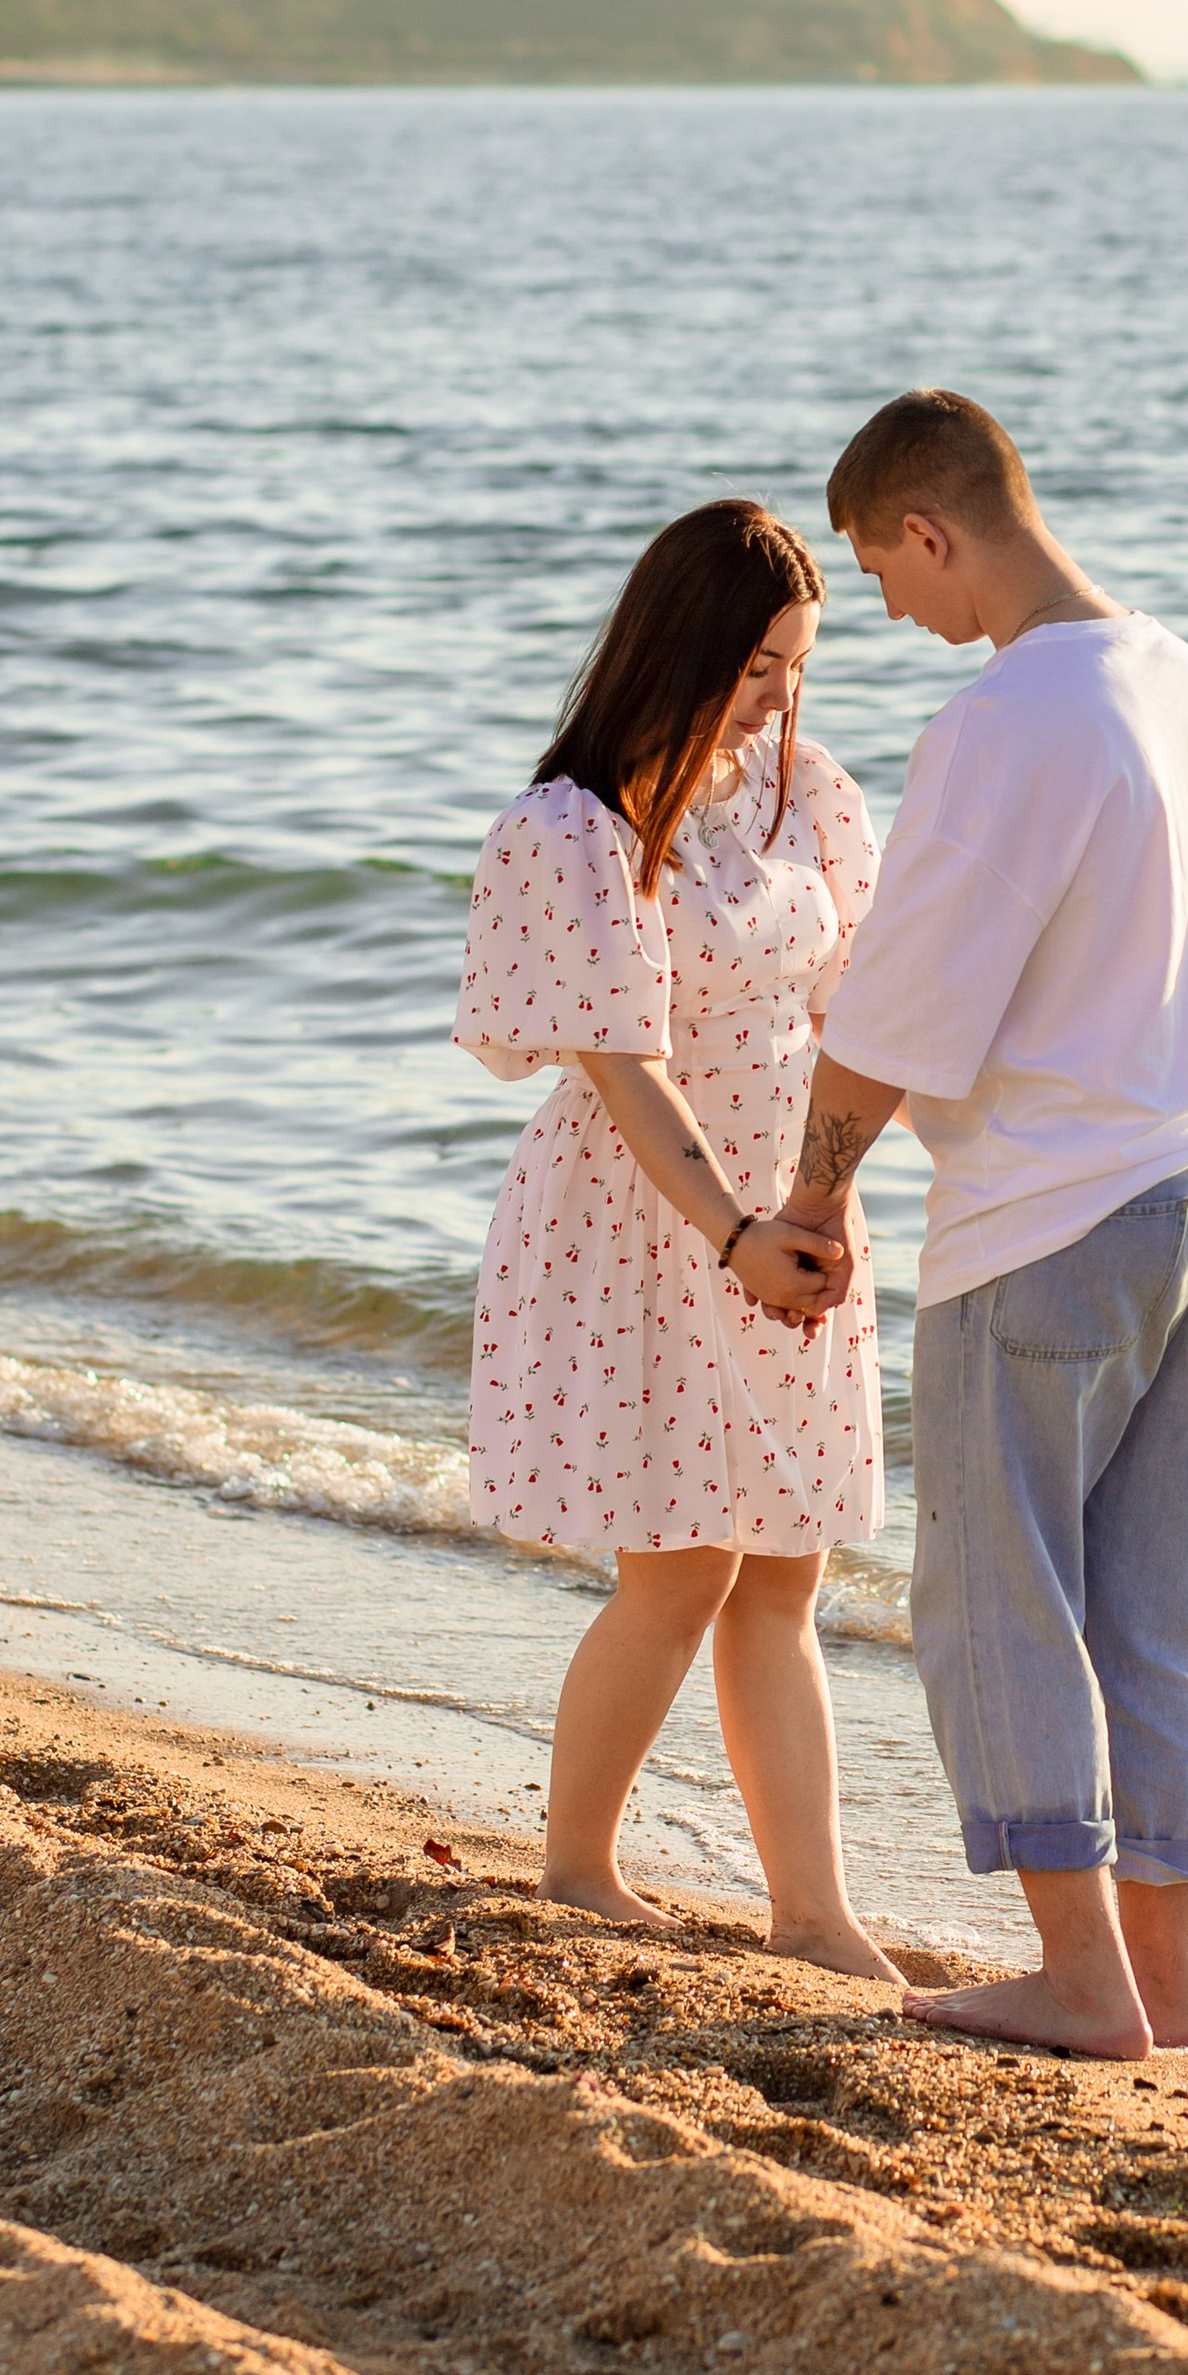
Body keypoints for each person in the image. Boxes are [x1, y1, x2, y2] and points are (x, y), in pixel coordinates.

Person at [755, 390, 1188, 2060]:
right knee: (1154, 1592)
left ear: (933, 528)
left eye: (886, 574)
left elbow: (905, 1007)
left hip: (1053, 1208)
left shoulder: (1009, 720)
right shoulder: (1186, 679)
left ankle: (1074, 1984)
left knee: (1000, 1596)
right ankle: (1167, 1994)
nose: (896, 613)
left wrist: (815, 1191)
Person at [453, 496, 902, 1980]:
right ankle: (578, 1865)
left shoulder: (801, 796)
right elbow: (621, 1069)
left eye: (799, 665)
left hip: (794, 1204)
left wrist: (832, 1202)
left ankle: (813, 1915)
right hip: (651, 1218)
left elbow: (866, 1005)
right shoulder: (574, 830)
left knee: (786, 1568)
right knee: (681, 1566)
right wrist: (735, 1232)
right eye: (760, 665)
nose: (783, 698)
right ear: (686, 648)